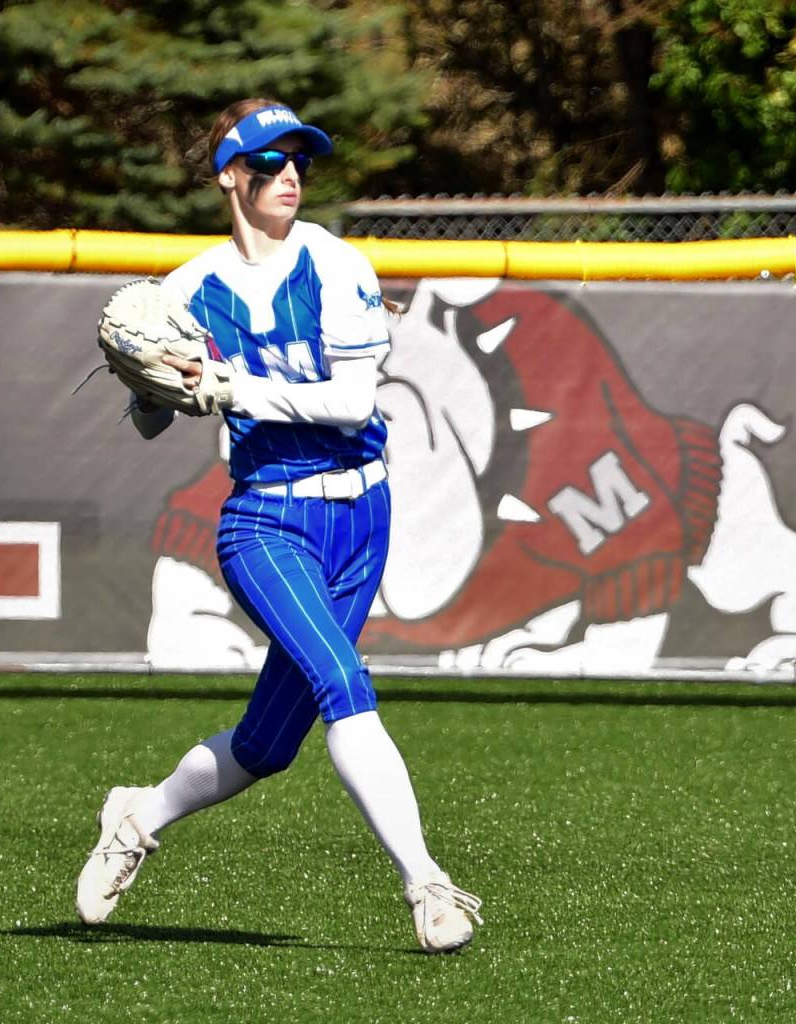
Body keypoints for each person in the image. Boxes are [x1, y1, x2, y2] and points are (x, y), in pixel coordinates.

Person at [75, 97, 483, 953]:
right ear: (230, 175)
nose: (288, 175)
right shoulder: (186, 287)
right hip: (265, 519)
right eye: (268, 161)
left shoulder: (336, 266)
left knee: (266, 745)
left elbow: (351, 403)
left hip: (362, 514)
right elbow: (151, 416)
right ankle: (429, 888)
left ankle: (137, 814)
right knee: (344, 685)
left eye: (299, 159)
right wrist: (157, 384)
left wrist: (229, 389)